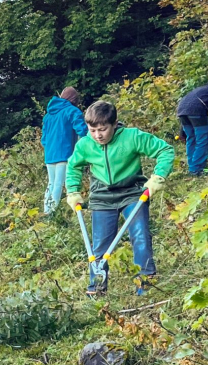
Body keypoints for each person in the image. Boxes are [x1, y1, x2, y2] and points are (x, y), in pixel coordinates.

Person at [66, 100, 175, 295]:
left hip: (132, 192)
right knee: (100, 244)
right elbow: (73, 166)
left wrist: (158, 176)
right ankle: (97, 286)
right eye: (92, 130)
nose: (98, 135)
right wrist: (73, 191)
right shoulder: (85, 144)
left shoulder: (132, 137)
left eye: (102, 129)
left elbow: (164, 150)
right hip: (102, 196)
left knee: (140, 234)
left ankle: (144, 282)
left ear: (115, 124)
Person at [41, 86, 88, 214]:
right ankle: (52, 213)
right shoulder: (72, 111)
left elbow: (43, 139)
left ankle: (47, 209)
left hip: (50, 154)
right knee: (59, 183)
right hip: (65, 153)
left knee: (51, 183)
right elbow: (82, 130)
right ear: (74, 99)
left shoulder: (48, 116)